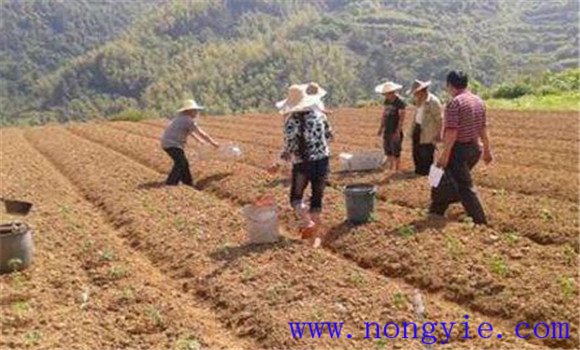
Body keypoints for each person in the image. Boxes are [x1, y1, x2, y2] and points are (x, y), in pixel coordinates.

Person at [271, 83, 333, 239]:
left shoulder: (291, 122)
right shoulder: (320, 116)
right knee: (316, 199)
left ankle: (307, 223)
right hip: (323, 162)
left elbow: (289, 147)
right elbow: (330, 136)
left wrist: (278, 164)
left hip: (303, 164)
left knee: (296, 198)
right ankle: (315, 239)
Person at [429, 71, 493, 225]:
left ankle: (480, 221)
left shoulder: (454, 103)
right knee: (446, 181)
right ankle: (435, 212)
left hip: (458, 151)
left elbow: (452, 132)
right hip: (474, 149)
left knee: (464, 186)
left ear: (450, 85)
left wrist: (445, 155)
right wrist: (487, 150)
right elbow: (483, 128)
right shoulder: (478, 101)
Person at [160, 99, 219, 187]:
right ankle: (171, 183)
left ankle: (188, 183)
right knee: (180, 162)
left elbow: (189, 131)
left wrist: (198, 140)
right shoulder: (188, 120)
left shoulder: (181, 118)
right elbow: (201, 133)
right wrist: (214, 143)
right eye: (195, 111)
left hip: (168, 143)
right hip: (173, 144)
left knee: (183, 163)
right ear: (189, 111)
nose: (197, 113)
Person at [407, 80, 443, 176]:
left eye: (416, 92)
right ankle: (418, 171)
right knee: (416, 151)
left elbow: (439, 119)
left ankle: (426, 173)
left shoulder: (433, 101)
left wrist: (439, 134)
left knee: (426, 152)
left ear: (422, 91)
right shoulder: (418, 101)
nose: (414, 94)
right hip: (418, 127)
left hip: (428, 131)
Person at [376, 81, 406, 172]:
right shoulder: (387, 101)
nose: (385, 96)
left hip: (395, 129)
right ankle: (390, 168)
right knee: (388, 149)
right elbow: (384, 114)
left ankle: (397, 169)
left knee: (396, 150)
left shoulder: (400, 102)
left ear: (391, 92)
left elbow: (402, 118)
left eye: (386, 94)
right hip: (387, 129)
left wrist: (398, 131)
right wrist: (381, 127)